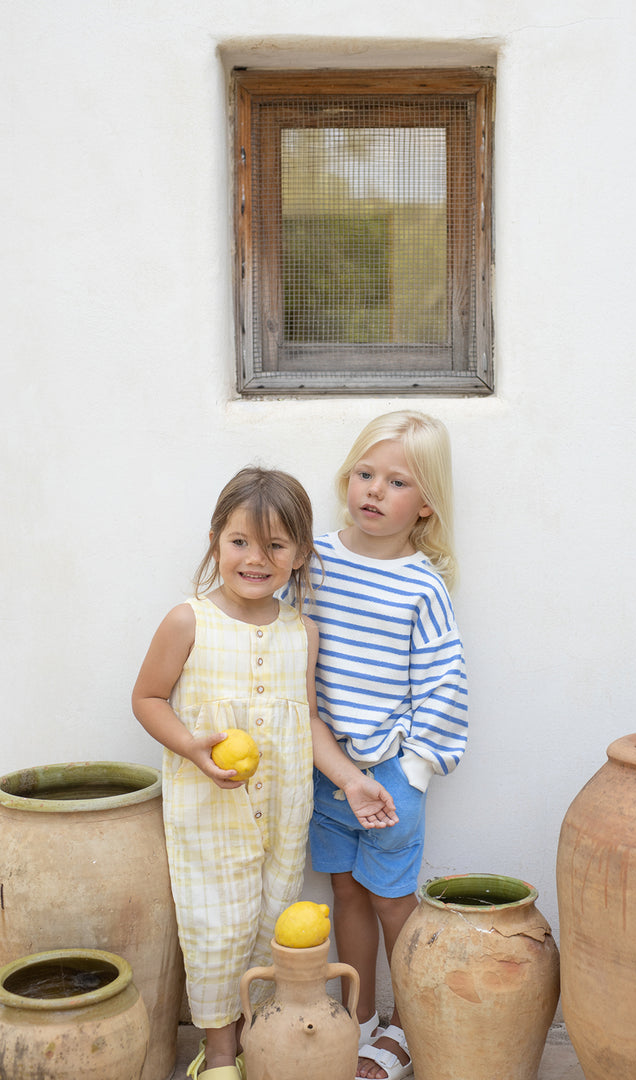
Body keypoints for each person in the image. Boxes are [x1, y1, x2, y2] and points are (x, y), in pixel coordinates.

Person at [132, 466, 397, 1080]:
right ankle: (220, 1054)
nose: (255, 559)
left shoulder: (302, 632)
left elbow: (307, 722)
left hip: (281, 814)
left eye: (275, 545)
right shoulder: (188, 621)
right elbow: (147, 699)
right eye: (240, 542)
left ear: (299, 553)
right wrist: (191, 746)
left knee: (265, 928)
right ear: (215, 542)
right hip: (210, 814)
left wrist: (351, 779)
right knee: (215, 932)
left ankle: (257, 1040)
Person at [295, 412, 468, 1080]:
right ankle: (360, 1017)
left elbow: (444, 682)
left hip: (391, 772)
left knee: (393, 900)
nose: (374, 490)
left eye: (397, 482)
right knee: (345, 891)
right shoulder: (314, 561)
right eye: (365, 473)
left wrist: (415, 772)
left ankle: (412, 1025)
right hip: (325, 765)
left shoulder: (421, 585)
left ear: (425, 504)